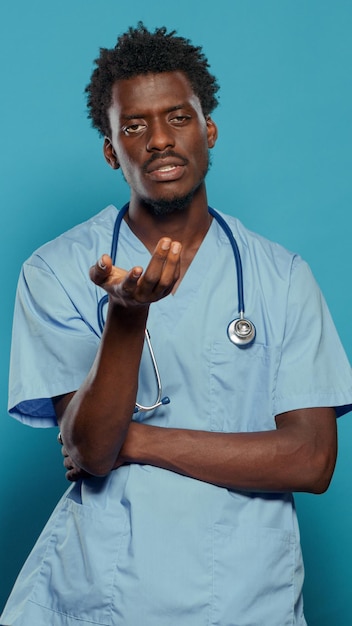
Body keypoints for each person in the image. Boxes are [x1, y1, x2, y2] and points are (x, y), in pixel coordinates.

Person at [2, 22, 352, 626]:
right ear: (112, 151)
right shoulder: (57, 269)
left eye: (178, 118)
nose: (159, 140)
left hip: (248, 598)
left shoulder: (281, 276)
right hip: (108, 598)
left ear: (208, 130)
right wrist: (128, 315)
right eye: (134, 126)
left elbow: (312, 460)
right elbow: (87, 445)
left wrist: (129, 443)